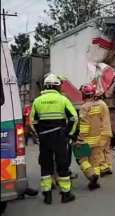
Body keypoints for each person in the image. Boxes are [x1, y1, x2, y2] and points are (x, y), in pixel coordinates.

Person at [30, 73, 78, 204]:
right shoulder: (63, 99)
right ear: (57, 87)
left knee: (46, 165)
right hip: (60, 138)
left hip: (45, 139)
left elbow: (32, 122)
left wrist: (39, 134)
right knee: (62, 164)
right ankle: (66, 195)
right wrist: (69, 133)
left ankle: (47, 195)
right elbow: (74, 118)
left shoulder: (37, 101)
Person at [78, 84, 113, 189]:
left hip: (87, 140)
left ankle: (91, 175)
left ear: (84, 94)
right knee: (96, 160)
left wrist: (80, 138)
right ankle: (96, 179)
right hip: (99, 138)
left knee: (81, 159)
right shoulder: (101, 104)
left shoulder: (84, 107)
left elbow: (84, 126)